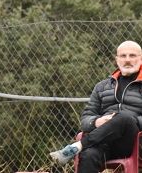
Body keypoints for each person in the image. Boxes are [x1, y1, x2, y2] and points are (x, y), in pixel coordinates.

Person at [50, 40, 142, 172]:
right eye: (123, 56)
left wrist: (124, 120)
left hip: (134, 142)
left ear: (141, 58)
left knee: (124, 118)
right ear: (117, 59)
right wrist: (97, 121)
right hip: (104, 143)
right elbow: (86, 119)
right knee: (88, 155)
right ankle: (81, 147)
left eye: (132, 55)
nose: (127, 60)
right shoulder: (102, 87)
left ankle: (78, 146)